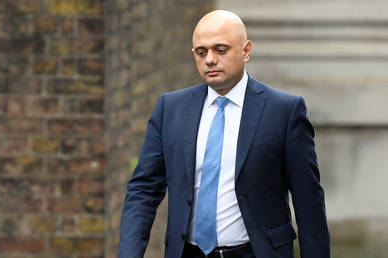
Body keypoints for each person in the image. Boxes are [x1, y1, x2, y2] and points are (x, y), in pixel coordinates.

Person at [118, 10, 330, 258]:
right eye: (201, 52)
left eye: (220, 50)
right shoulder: (170, 109)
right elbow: (143, 189)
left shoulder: (284, 111)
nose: (209, 59)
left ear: (246, 51)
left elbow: (309, 204)